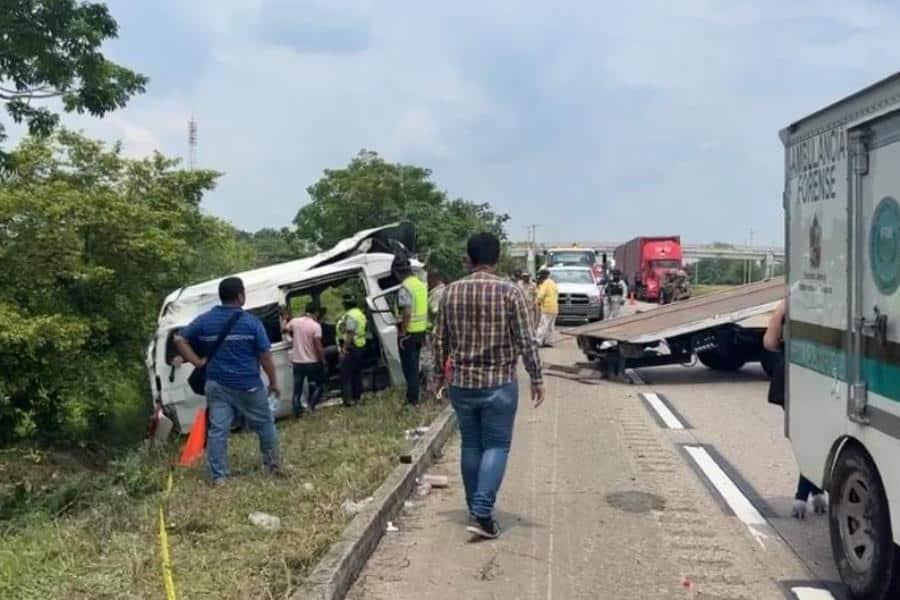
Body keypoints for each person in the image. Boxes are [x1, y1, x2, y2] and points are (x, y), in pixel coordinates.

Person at [434, 232, 544, 539]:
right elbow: (526, 339)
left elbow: (439, 340)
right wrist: (536, 376)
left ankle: (475, 509)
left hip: (462, 383)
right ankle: (482, 510)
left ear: (468, 259)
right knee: (496, 445)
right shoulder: (511, 292)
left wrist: (437, 377)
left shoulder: (450, 292)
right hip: (499, 384)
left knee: (471, 445)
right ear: (496, 259)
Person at [174, 276, 282, 485]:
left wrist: (197, 362)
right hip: (248, 385)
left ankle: (219, 477)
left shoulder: (205, 320)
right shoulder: (251, 323)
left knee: (218, 430)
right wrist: (274, 382)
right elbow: (265, 356)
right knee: (265, 424)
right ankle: (273, 466)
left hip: (217, 385)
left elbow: (179, 339)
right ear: (240, 295)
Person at [764, 298, 827, 519]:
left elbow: (769, 343)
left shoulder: (792, 296)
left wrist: (782, 312)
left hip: (791, 378)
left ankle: (806, 495)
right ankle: (810, 494)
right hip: (823, 374)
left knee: (806, 439)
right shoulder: (835, 293)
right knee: (817, 438)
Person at [393, 254, 429, 406]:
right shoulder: (420, 285)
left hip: (409, 333)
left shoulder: (405, 288)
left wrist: (402, 333)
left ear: (397, 273)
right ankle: (418, 395)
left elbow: (406, 312)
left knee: (410, 369)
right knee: (415, 365)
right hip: (421, 331)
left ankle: (412, 401)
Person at [282, 302, 326, 417]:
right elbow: (318, 346)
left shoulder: (295, 322)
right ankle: (311, 407)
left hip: (297, 362)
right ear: (315, 312)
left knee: (297, 390)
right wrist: (322, 360)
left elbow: (284, 329)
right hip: (312, 362)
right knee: (319, 385)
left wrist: (291, 337)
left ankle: (297, 413)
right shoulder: (315, 326)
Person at [337, 295, 367, 407]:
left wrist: (344, 348)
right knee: (356, 373)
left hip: (351, 347)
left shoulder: (350, 315)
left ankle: (348, 400)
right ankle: (357, 397)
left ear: (345, 304)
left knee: (345, 374)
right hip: (360, 345)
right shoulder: (359, 313)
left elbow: (349, 333)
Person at [422, 271, 448, 396]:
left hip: (434, 333)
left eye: (429, 280)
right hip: (436, 332)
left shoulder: (438, 293)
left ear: (434, 279)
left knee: (432, 361)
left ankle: (434, 389)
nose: (427, 283)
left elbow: (436, 311)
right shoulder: (443, 291)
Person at [534, 267, 559, 347]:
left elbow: (541, 295)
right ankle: (549, 342)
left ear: (543, 275)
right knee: (550, 327)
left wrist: (537, 302)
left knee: (543, 325)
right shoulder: (553, 283)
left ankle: (538, 341)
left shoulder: (545, 283)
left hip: (547, 308)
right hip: (554, 308)